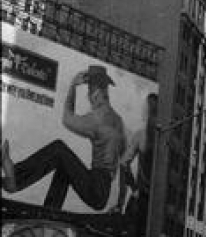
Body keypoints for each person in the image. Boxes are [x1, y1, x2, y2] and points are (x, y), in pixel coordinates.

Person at [2, 66, 127, 211]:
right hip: (102, 191)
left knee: (58, 148)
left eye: (89, 91)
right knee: (65, 165)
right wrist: (120, 203)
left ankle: (16, 178)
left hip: (96, 188)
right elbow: (124, 163)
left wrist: (73, 86)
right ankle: (50, 211)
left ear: (96, 93)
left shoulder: (98, 118)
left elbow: (67, 119)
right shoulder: (118, 121)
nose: (89, 97)